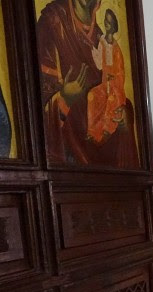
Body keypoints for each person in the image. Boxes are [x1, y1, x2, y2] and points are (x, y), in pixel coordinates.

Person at [36, 0, 138, 167]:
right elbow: (35, 110)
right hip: (70, 155)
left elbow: (113, 85)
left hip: (103, 156)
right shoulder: (52, 24)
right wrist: (65, 98)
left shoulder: (99, 36)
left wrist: (124, 116)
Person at [87, 8, 127, 144]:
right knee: (92, 94)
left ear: (114, 26)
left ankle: (106, 129)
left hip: (115, 87)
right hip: (104, 84)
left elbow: (121, 71)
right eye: (105, 20)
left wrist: (114, 78)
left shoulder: (116, 48)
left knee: (111, 99)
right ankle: (92, 131)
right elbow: (99, 64)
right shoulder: (102, 41)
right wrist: (93, 48)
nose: (106, 24)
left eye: (109, 22)